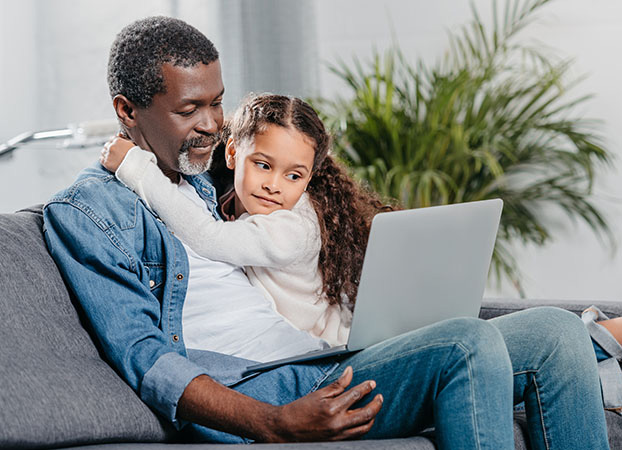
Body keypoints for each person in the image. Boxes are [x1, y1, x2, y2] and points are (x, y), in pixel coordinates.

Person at [43, 16, 611, 448]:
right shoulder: (89, 214)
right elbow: (146, 359)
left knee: (555, 336)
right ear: (127, 109)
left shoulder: (196, 181)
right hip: (267, 390)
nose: (212, 125)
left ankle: (590, 337)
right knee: (466, 342)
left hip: (316, 362)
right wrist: (273, 422)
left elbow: (276, 162)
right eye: (191, 109)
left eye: (218, 105)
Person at [99, 93, 392, 347]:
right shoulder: (225, 194)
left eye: (294, 175)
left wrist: (135, 166)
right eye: (263, 165)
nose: (274, 185)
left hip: (331, 349)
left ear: (309, 180)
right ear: (232, 153)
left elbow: (208, 237)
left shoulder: (294, 229)